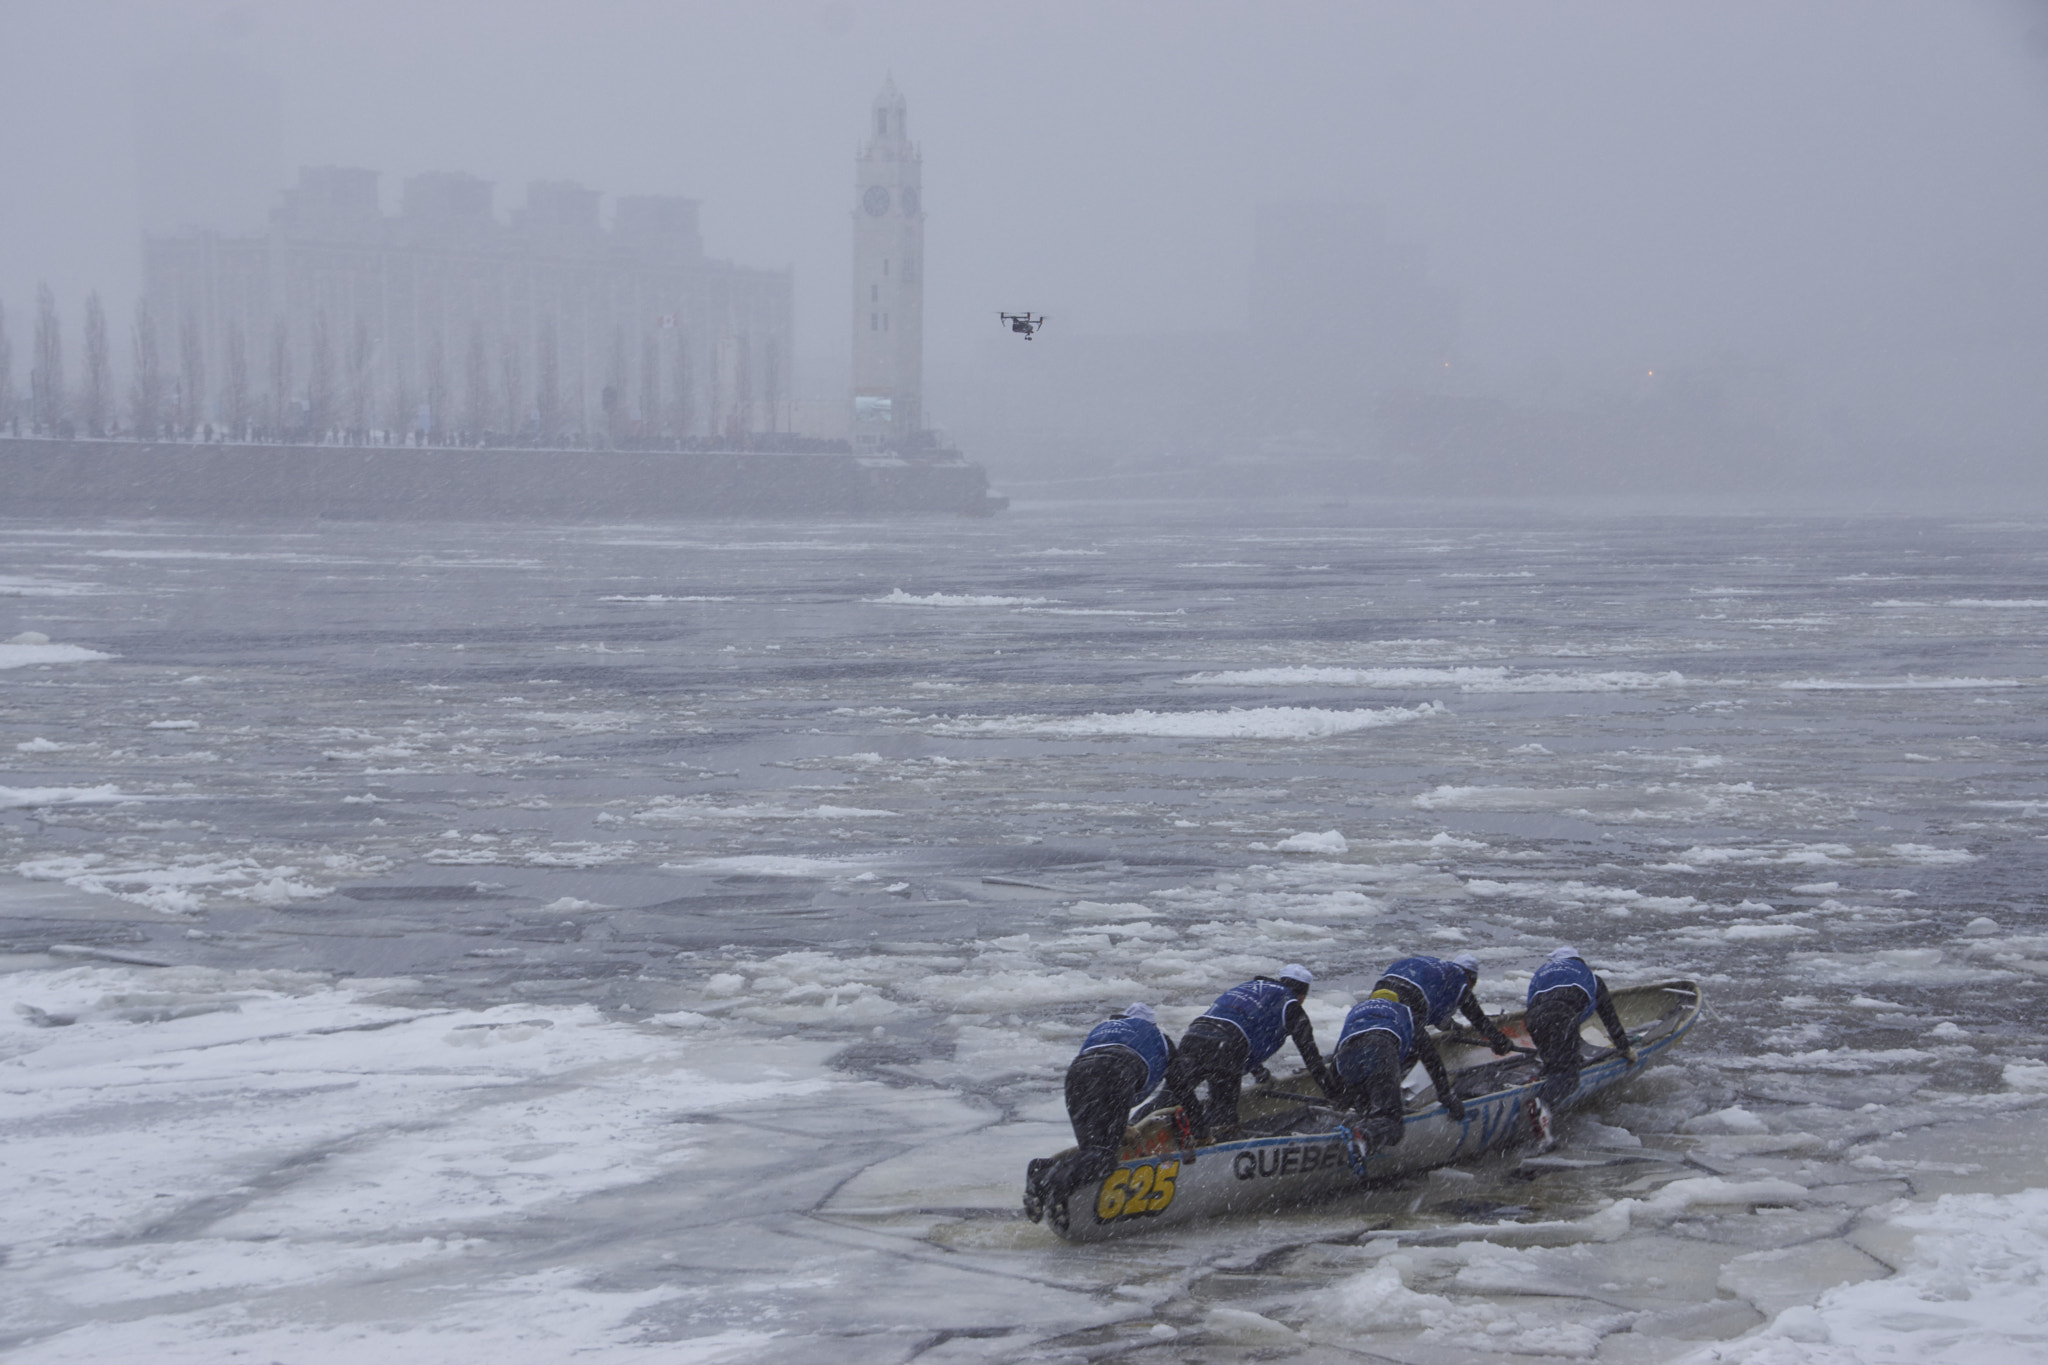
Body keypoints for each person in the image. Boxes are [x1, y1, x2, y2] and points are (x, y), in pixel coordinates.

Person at [1328, 953, 1515, 1152]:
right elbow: (1473, 1022)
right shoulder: (1458, 982)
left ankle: (1370, 1109)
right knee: (1392, 1120)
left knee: (1379, 1075)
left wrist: (1337, 1097)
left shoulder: (1363, 1010)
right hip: (1391, 1031)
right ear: (1471, 980)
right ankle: (1374, 1126)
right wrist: (1447, 1095)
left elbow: (1337, 1057)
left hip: (1378, 998)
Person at [1024, 1003, 1174, 1229]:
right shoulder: (1159, 1039)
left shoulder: (1105, 1030)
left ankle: (1042, 1171)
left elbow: (1097, 1076)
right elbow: (1180, 1088)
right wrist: (1202, 1132)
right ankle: (1056, 1188)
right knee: (1103, 1160)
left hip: (1078, 1075)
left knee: (1091, 1154)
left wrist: (1120, 1127)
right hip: (1116, 1073)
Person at [1162, 965, 1332, 1145]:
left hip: (1194, 1036)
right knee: (1224, 1117)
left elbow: (1244, 1027)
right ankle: (1217, 1146)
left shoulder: (1252, 988)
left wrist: (1259, 1072)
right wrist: (1332, 1094)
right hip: (1226, 1046)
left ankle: (1134, 1131)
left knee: (1170, 1097)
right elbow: (1312, 1059)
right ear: (1302, 996)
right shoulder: (1291, 1005)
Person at [1525, 946, 1635, 1108]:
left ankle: (1549, 1078)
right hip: (1563, 1017)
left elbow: (1532, 1006)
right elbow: (1610, 1019)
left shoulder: (1541, 974)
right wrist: (1625, 1049)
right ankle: (1542, 1105)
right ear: (1579, 961)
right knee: (1568, 1078)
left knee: (1553, 1065)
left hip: (1535, 1020)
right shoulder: (1590, 977)